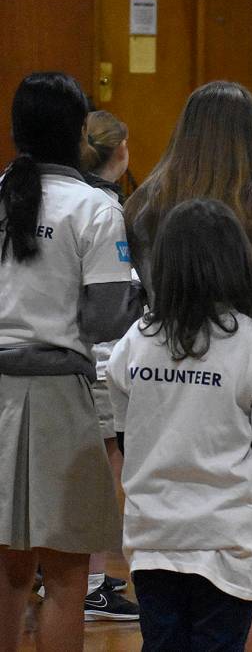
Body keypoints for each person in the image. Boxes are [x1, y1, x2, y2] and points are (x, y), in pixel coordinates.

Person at [124, 80, 252, 646]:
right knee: (241, 528)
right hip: (247, 383)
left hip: (163, 374)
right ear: (251, 140)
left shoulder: (142, 206)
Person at [0, 72, 143, 651]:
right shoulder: (95, 207)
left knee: (7, 567)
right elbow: (109, 319)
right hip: (59, 396)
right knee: (65, 569)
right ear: (80, 131)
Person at [78, 108, 141, 622]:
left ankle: (59, 570)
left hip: (68, 356)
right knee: (103, 474)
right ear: (119, 151)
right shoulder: (101, 207)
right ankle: (92, 582)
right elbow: (114, 300)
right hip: (98, 359)